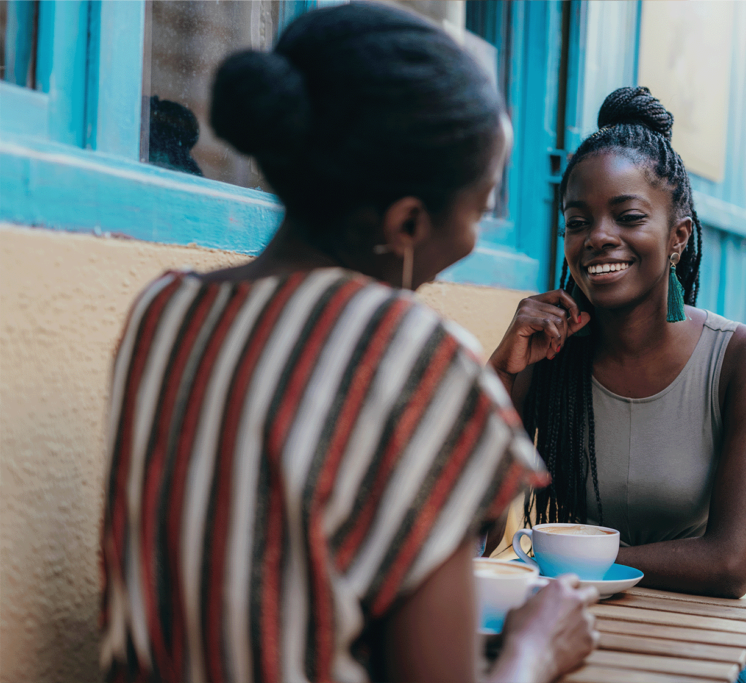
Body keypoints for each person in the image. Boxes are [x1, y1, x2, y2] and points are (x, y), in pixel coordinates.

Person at [98, 4, 598, 683]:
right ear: (407, 222)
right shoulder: (415, 357)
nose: (478, 236)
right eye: (480, 209)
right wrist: (536, 650)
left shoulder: (161, 312)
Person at [488, 87, 746, 600]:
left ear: (679, 237)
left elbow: (731, 565)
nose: (598, 237)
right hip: (568, 621)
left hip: (696, 639)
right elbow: (476, 532)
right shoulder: (550, 351)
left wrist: (569, 559)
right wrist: (503, 372)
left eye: (628, 217)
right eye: (577, 222)